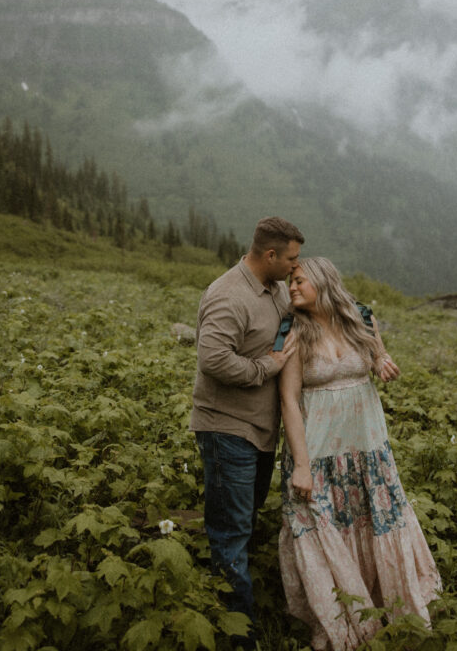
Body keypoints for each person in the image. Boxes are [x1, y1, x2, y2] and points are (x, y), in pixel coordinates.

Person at [279, 257, 441, 651]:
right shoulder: (295, 332)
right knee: (322, 528)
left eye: (300, 281)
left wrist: (383, 362)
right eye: (290, 282)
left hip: (366, 448)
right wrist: (300, 466)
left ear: (323, 281)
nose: (293, 288)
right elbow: (288, 399)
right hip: (316, 453)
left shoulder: (361, 320)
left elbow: (377, 358)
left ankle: (389, 609)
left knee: (373, 522)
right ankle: (340, 627)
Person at [190, 215, 305, 646]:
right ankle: (240, 634)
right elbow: (213, 359)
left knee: (244, 519)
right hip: (227, 429)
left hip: (258, 429)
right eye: (292, 258)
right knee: (231, 531)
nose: (297, 266)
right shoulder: (228, 295)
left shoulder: (275, 289)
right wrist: (266, 368)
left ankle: (233, 609)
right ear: (270, 254)